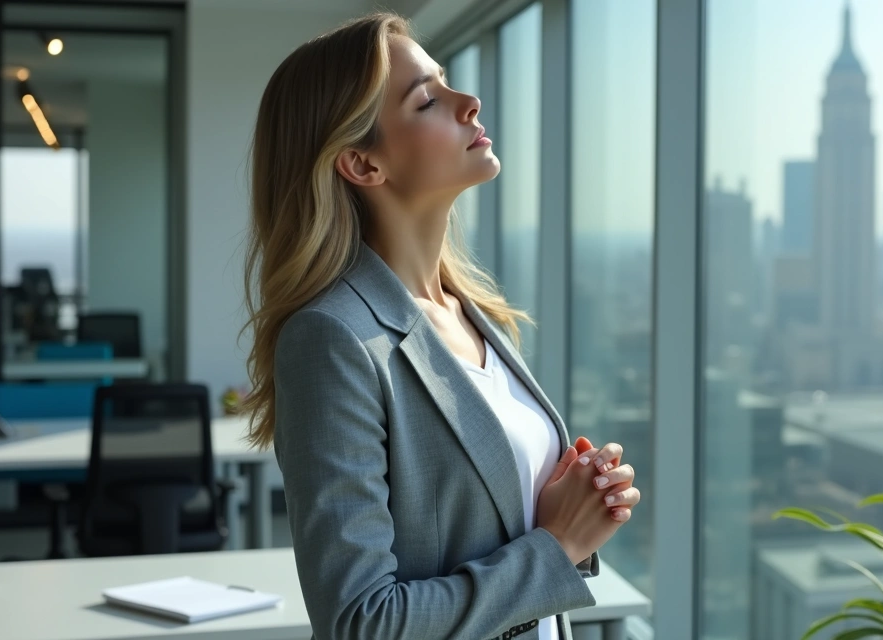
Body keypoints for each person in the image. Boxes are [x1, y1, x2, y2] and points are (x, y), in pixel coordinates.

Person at [240, 12, 642, 640]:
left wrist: (576, 507)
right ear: (363, 165)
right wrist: (558, 544)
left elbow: (495, 531)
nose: (469, 101)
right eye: (427, 100)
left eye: (446, 82)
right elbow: (361, 623)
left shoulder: (473, 313)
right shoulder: (332, 338)